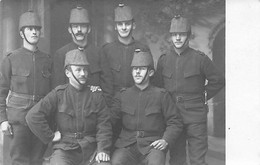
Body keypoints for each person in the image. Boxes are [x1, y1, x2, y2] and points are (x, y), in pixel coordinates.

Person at [152, 15, 225, 165]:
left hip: (195, 116)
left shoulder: (199, 58)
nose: (178, 38)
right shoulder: (164, 59)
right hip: (173, 117)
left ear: (188, 35)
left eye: (182, 34)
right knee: (176, 159)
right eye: (174, 34)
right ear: (171, 36)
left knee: (197, 160)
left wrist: (204, 95)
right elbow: (158, 87)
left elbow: (218, 80)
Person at [26, 49, 112, 165]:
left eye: (85, 70)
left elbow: (104, 126)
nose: (83, 74)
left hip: (91, 150)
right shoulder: (58, 94)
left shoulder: (96, 95)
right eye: (78, 70)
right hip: (65, 149)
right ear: (68, 73)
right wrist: (50, 136)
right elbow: (33, 116)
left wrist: (102, 149)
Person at [111, 49, 183, 165]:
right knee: (116, 162)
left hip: (152, 146)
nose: (137, 72)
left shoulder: (161, 95)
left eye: (142, 69)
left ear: (150, 73)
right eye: (135, 69)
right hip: (126, 145)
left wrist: (166, 140)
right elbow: (109, 121)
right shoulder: (123, 95)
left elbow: (175, 122)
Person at [0, 10, 52, 165]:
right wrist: (2, 119)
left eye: (36, 28)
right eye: (29, 29)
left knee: (38, 161)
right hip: (18, 121)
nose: (34, 32)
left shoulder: (47, 60)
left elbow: (53, 94)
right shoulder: (11, 59)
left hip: (40, 120)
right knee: (19, 161)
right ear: (22, 33)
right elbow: (1, 91)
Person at [52, 6, 112, 104]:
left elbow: (107, 87)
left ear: (89, 29)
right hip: (69, 108)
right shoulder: (61, 54)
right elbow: (57, 89)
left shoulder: (99, 52)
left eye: (83, 26)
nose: (79, 30)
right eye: (75, 26)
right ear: (69, 30)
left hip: (94, 108)